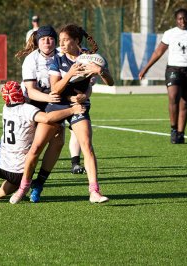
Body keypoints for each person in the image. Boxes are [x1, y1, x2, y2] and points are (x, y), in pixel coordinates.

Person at [11, 24, 114, 204]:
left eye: (64, 40)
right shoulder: (56, 59)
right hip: (54, 104)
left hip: (78, 106)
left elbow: (103, 83)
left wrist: (100, 72)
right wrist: (71, 73)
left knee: (86, 146)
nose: (60, 44)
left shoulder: (87, 58)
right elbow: (55, 89)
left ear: (76, 41)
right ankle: (23, 187)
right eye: (60, 40)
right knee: (35, 147)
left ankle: (94, 191)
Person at [0, 81, 83, 200]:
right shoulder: (26, 109)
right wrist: (72, 110)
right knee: (15, 183)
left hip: (0, 158)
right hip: (18, 165)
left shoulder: (6, 108)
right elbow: (47, 118)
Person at [138, 8, 187, 144]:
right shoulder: (170, 33)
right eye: (179, 18)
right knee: (173, 97)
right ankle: (173, 129)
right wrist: (146, 68)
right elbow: (158, 52)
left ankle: (181, 133)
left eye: (184, 18)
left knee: (185, 103)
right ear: (176, 20)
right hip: (174, 69)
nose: (182, 21)